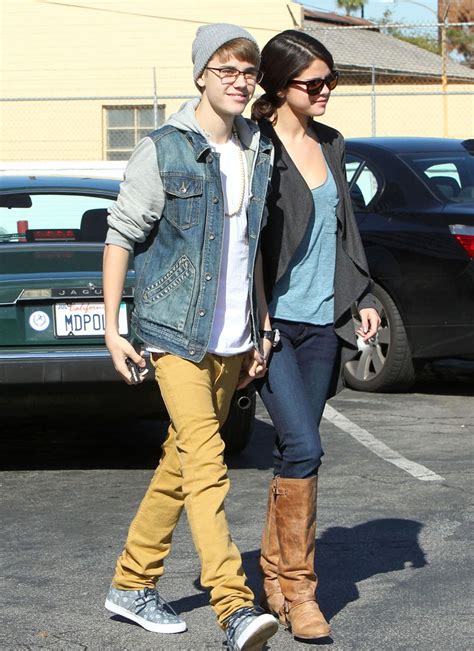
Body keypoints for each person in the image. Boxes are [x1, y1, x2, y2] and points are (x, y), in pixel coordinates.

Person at [102, 23, 278, 650]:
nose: (240, 82)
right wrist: (112, 328)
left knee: (180, 462)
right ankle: (233, 607)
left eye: (248, 72)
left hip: (232, 336)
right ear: (202, 75)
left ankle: (131, 583)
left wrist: (260, 326)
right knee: (207, 465)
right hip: (175, 333)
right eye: (227, 70)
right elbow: (120, 236)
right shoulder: (163, 149)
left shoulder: (257, 148)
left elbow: (252, 247)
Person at [251, 30, 381, 641]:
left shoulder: (331, 143)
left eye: (332, 81)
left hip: (324, 320)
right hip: (272, 323)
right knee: (305, 446)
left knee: (293, 451)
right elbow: (244, 241)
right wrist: (253, 319)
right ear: (281, 86)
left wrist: (363, 297)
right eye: (314, 83)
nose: (326, 91)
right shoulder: (256, 147)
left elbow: (343, 228)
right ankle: (301, 592)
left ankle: (275, 579)